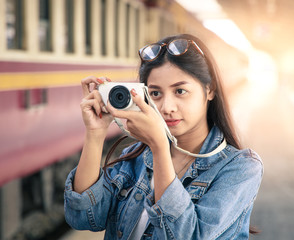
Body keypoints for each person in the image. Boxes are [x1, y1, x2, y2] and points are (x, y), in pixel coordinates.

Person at [64, 34, 263, 240]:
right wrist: (95, 134)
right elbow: (83, 218)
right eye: (156, 94)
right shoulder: (135, 157)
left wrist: (160, 148)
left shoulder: (241, 168)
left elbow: (189, 236)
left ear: (209, 89)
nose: (167, 108)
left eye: (180, 91)